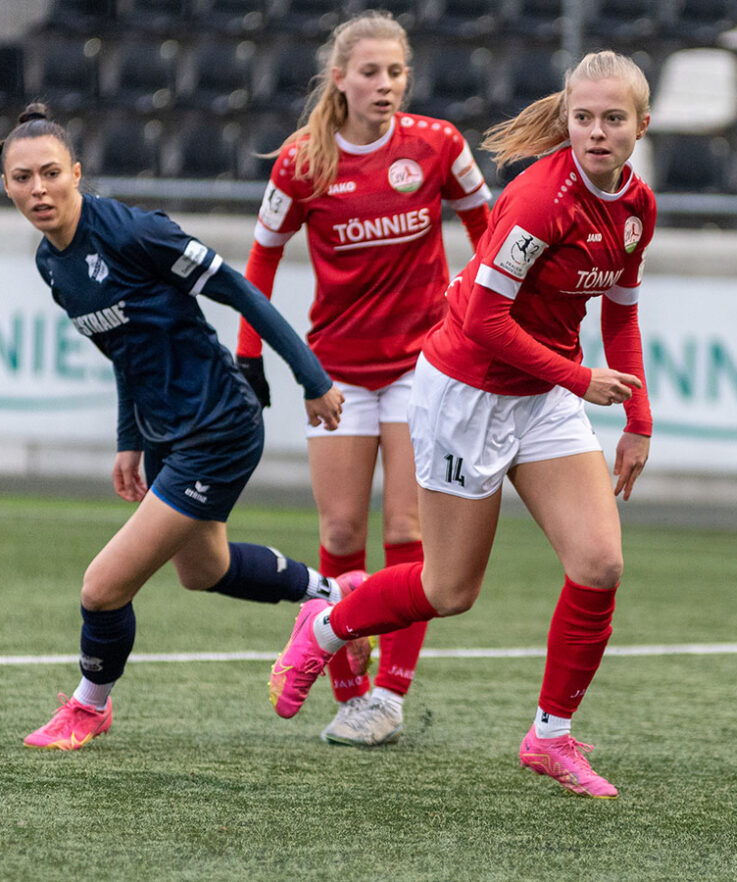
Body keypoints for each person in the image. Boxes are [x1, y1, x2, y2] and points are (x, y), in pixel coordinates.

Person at [267, 50, 656, 797]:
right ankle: (322, 628)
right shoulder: (543, 199)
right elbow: (480, 319)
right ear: (566, 118)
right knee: (449, 590)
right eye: (583, 118)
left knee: (599, 564)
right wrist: (581, 378)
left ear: (643, 124)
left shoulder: (637, 206)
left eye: (613, 119)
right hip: (466, 392)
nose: (596, 132)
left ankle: (550, 738)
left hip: (542, 395)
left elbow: (622, 313)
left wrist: (638, 418)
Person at [0, 102, 353, 751]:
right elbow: (124, 349)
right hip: (164, 433)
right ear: (6, 185)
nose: (38, 189)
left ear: (76, 172)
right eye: (23, 178)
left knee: (102, 587)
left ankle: (88, 707)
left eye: (51, 173)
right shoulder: (52, 263)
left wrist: (312, 378)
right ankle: (333, 596)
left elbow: (241, 292)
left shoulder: (137, 234)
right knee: (205, 571)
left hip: (218, 425)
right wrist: (129, 440)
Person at [236, 10, 492, 747]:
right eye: (371, 72)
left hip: (425, 370)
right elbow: (260, 262)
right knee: (342, 530)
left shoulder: (438, 145)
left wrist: (482, 305)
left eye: (397, 72)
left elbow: (490, 229)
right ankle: (347, 688)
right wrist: (252, 355)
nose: (386, 85)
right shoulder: (301, 162)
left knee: (410, 531)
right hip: (337, 374)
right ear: (339, 79)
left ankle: (390, 696)